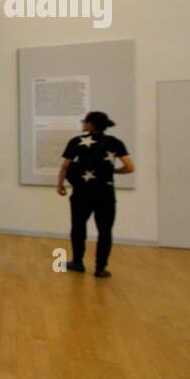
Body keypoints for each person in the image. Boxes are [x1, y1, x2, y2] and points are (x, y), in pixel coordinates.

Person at [56, 110, 134, 278]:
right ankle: (100, 268)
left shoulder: (76, 141)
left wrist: (60, 184)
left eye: (85, 121)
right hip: (105, 194)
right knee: (105, 231)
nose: (83, 124)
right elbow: (129, 167)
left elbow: (65, 166)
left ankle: (78, 262)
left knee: (78, 228)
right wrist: (112, 171)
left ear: (91, 124)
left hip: (82, 193)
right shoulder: (115, 142)